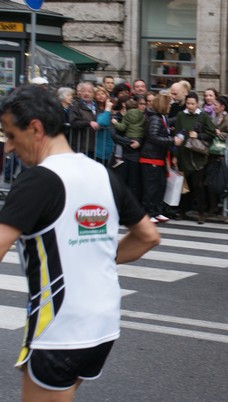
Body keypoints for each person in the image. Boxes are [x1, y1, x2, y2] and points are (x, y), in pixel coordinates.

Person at [0, 85, 160, 401]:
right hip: (103, 324)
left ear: (35, 128)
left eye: (10, 135)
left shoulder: (38, 180)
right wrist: (92, 255)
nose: (8, 148)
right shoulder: (100, 172)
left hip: (61, 327)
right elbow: (148, 236)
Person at [173, 92, 217, 224]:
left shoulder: (203, 116)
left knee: (198, 185)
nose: (190, 106)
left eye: (193, 103)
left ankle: (201, 213)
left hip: (197, 155)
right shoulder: (181, 115)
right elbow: (177, 133)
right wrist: (175, 155)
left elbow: (211, 133)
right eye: (188, 103)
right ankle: (182, 211)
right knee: (184, 184)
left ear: (197, 103)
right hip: (183, 154)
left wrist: (198, 135)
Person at [140, 93, 184, 223]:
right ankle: (148, 212)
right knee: (151, 187)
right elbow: (153, 137)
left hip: (158, 157)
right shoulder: (155, 119)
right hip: (150, 158)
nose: (170, 106)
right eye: (169, 103)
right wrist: (172, 140)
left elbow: (168, 123)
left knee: (160, 185)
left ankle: (156, 211)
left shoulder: (161, 117)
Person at [68, 82, 98, 157]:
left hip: (95, 146)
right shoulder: (75, 107)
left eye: (89, 91)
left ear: (93, 94)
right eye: (84, 91)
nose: (86, 93)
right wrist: (89, 123)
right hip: (81, 147)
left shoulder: (98, 107)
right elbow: (73, 122)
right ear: (80, 93)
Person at [93, 86, 114, 165]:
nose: (101, 96)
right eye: (98, 94)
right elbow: (102, 122)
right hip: (100, 144)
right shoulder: (94, 108)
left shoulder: (113, 107)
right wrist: (107, 108)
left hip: (110, 142)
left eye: (103, 93)